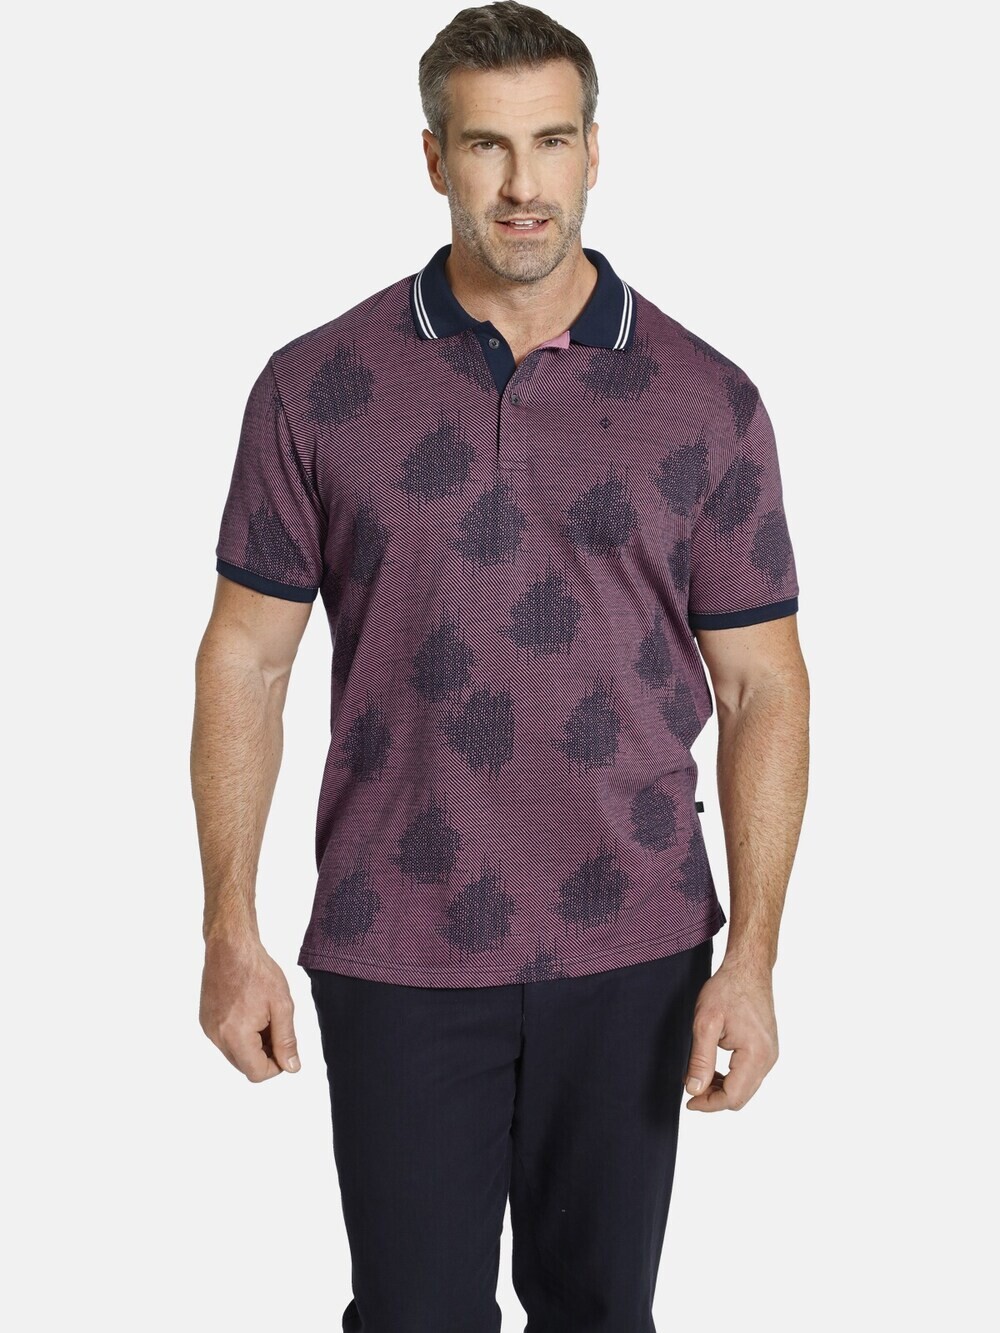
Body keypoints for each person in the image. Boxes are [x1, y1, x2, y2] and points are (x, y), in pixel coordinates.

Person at [191, 2, 810, 1328]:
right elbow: (246, 661)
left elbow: (765, 685)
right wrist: (228, 928)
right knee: (412, 1316)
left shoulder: (708, 400)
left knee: (601, 1313)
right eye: (486, 146)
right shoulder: (317, 386)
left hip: (635, 937)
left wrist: (754, 958)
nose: (523, 184)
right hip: (395, 936)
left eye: (551, 141)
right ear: (434, 158)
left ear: (595, 150)